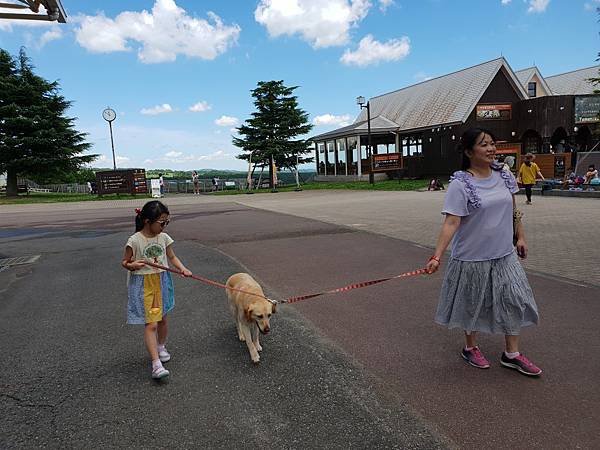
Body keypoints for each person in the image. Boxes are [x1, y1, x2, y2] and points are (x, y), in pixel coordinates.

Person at [426, 128, 542, 377]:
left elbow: (513, 209)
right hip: (472, 257)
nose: (491, 149)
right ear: (469, 152)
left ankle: (511, 354)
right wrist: (436, 256)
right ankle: (470, 347)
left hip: (504, 254)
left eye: (492, 143)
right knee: (472, 304)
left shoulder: (504, 175)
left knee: (513, 299)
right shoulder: (460, 184)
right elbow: (451, 222)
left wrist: (520, 236)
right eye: (483, 144)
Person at [121, 201, 192, 380]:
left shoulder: (164, 238)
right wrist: (132, 265)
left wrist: (183, 268)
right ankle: (155, 364)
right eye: (161, 222)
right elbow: (125, 262)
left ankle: (161, 347)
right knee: (151, 323)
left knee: (163, 319)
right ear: (147, 221)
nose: (164, 226)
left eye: (166, 222)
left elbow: (172, 256)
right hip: (145, 285)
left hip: (162, 281)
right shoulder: (134, 240)